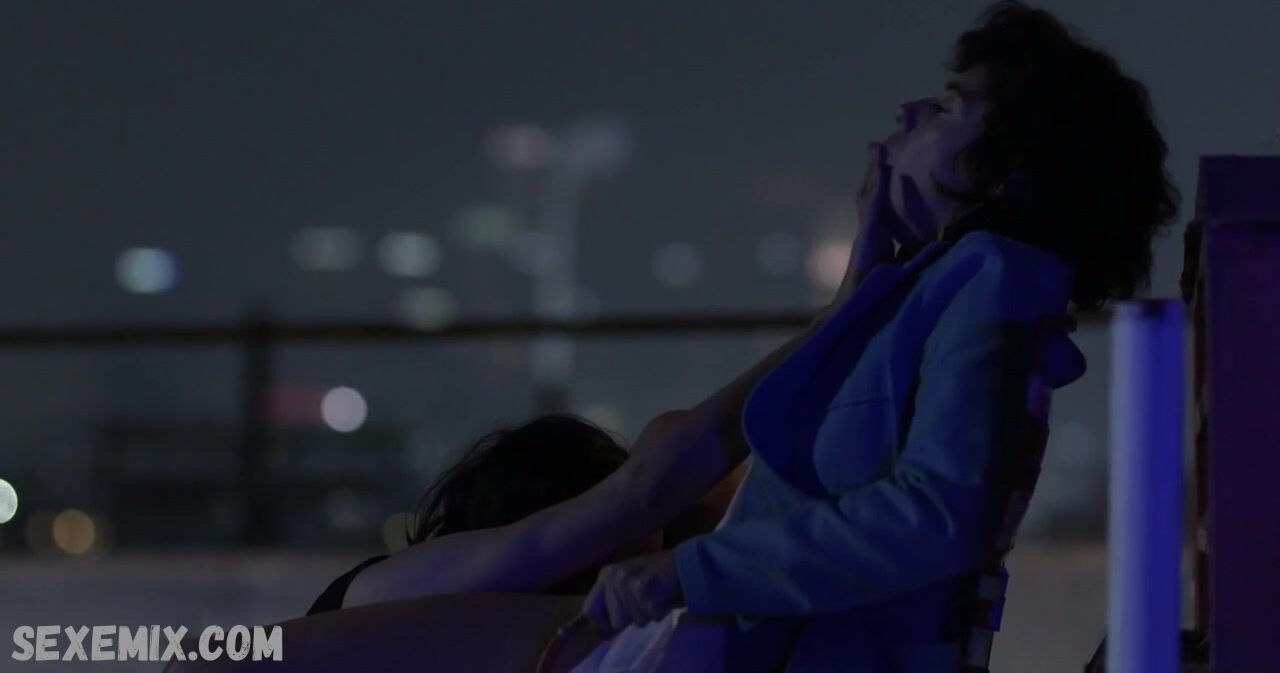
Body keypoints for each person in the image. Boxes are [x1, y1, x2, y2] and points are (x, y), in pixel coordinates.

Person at [281, 1, 1179, 670]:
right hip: (717, 639)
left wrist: (690, 571)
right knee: (264, 653)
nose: (908, 113)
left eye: (948, 107)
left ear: (1010, 173)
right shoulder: (938, 288)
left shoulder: (990, 276)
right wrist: (858, 294)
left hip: (726, 642)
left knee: (259, 655)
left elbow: (939, 514)